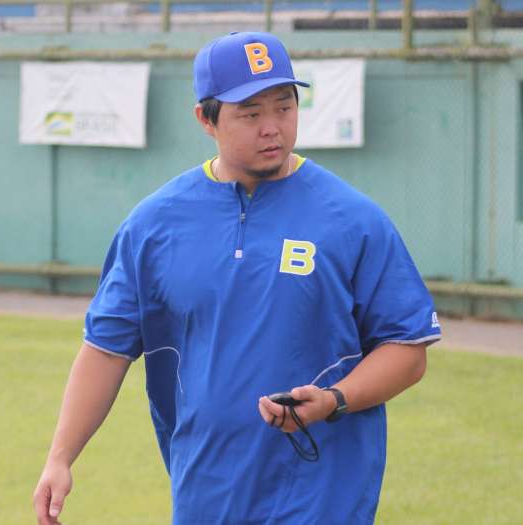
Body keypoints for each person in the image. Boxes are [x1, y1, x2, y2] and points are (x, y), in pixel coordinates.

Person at [33, 31, 442, 525]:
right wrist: (60, 457)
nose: (272, 127)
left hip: (324, 495)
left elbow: (408, 349)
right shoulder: (154, 225)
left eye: (284, 107)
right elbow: (106, 349)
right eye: (250, 113)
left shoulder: (354, 220)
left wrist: (336, 399)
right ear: (206, 118)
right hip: (208, 491)